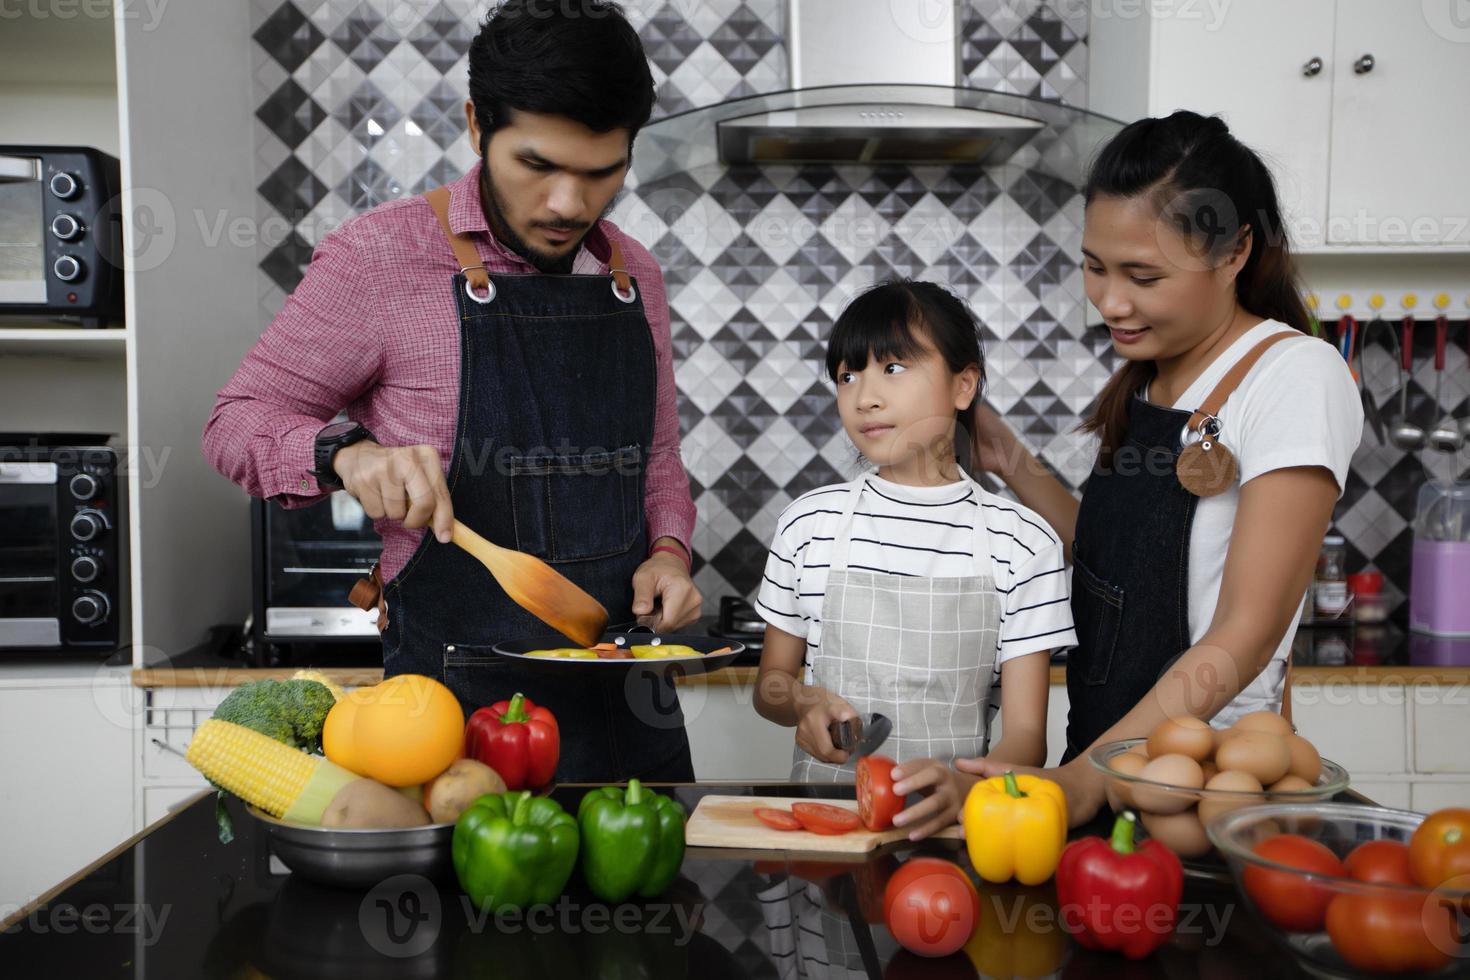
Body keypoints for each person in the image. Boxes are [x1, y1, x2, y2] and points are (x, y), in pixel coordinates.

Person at [202, 0, 703, 782]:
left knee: (662, 907)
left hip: (628, 706)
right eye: (537, 166)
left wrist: (669, 553)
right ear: (478, 126)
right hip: (447, 717)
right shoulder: (379, 258)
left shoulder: (633, 273)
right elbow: (235, 423)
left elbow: (659, 459)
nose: (570, 204)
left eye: (601, 173)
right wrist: (343, 454)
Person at [958, 110, 1363, 825]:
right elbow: (1117, 570)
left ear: (1234, 252)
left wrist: (1084, 781)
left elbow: (1246, 630)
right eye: (1094, 266)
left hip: (1202, 795)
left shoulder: (1294, 375)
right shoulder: (1154, 378)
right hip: (1105, 766)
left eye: (1143, 275)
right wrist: (1008, 460)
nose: (1111, 302)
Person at [753, 280, 1077, 841]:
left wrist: (968, 791)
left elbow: (1027, 737)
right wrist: (804, 700)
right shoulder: (808, 523)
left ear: (963, 385)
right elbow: (770, 685)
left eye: (894, 368)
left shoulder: (1023, 541)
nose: (864, 396)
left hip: (952, 829)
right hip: (824, 827)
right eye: (847, 376)